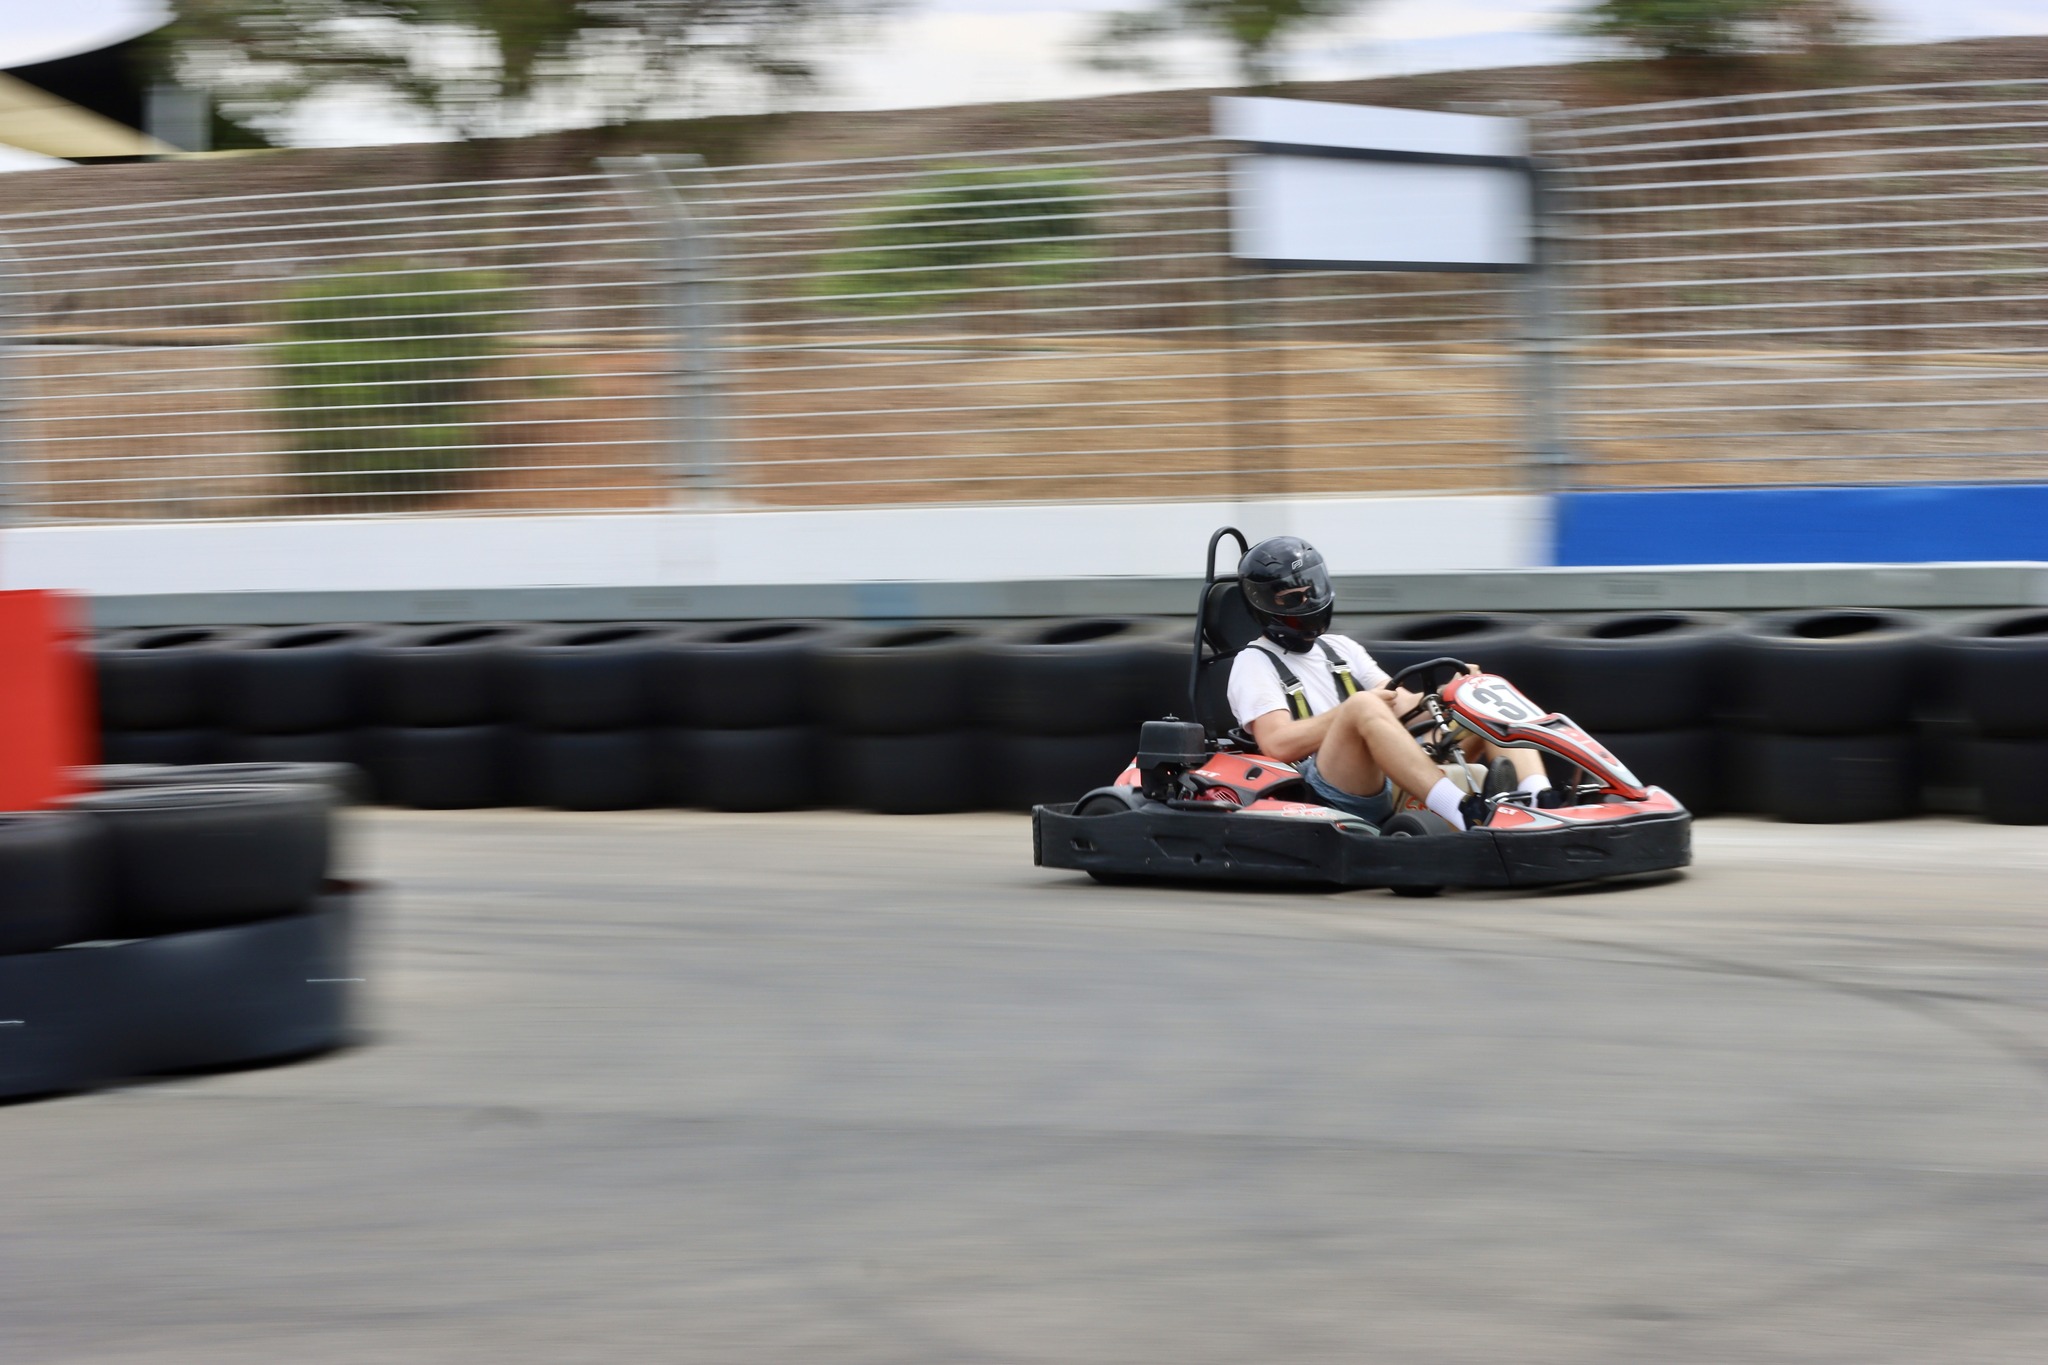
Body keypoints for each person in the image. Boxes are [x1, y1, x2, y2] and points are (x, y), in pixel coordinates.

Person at [1224, 535, 1551, 831]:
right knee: (1364, 703)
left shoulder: (1340, 648)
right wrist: (1351, 710)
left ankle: (1538, 799)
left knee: (1482, 691)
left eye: (1310, 590)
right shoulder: (1253, 662)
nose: (1307, 601)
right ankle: (1463, 811)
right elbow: (1278, 744)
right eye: (1292, 597)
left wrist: (1451, 694)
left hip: (1389, 770)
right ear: (1264, 604)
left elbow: (1403, 706)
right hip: (1320, 790)